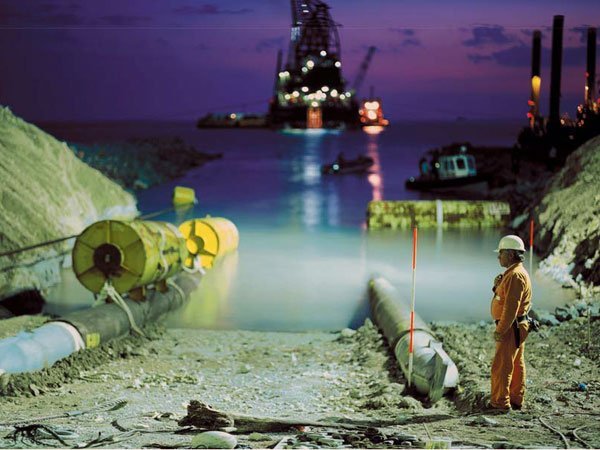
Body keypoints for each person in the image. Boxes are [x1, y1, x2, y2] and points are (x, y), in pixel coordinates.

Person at [489, 235, 532, 411]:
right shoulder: (513, 274)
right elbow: (505, 298)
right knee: (515, 364)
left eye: (501, 253)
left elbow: (510, 308)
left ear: (511, 254)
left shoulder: (515, 275)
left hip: (510, 327)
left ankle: (500, 403)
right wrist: (497, 286)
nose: (498, 256)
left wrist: (500, 330)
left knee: (501, 366)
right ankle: (515, 399)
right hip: (516, 326)